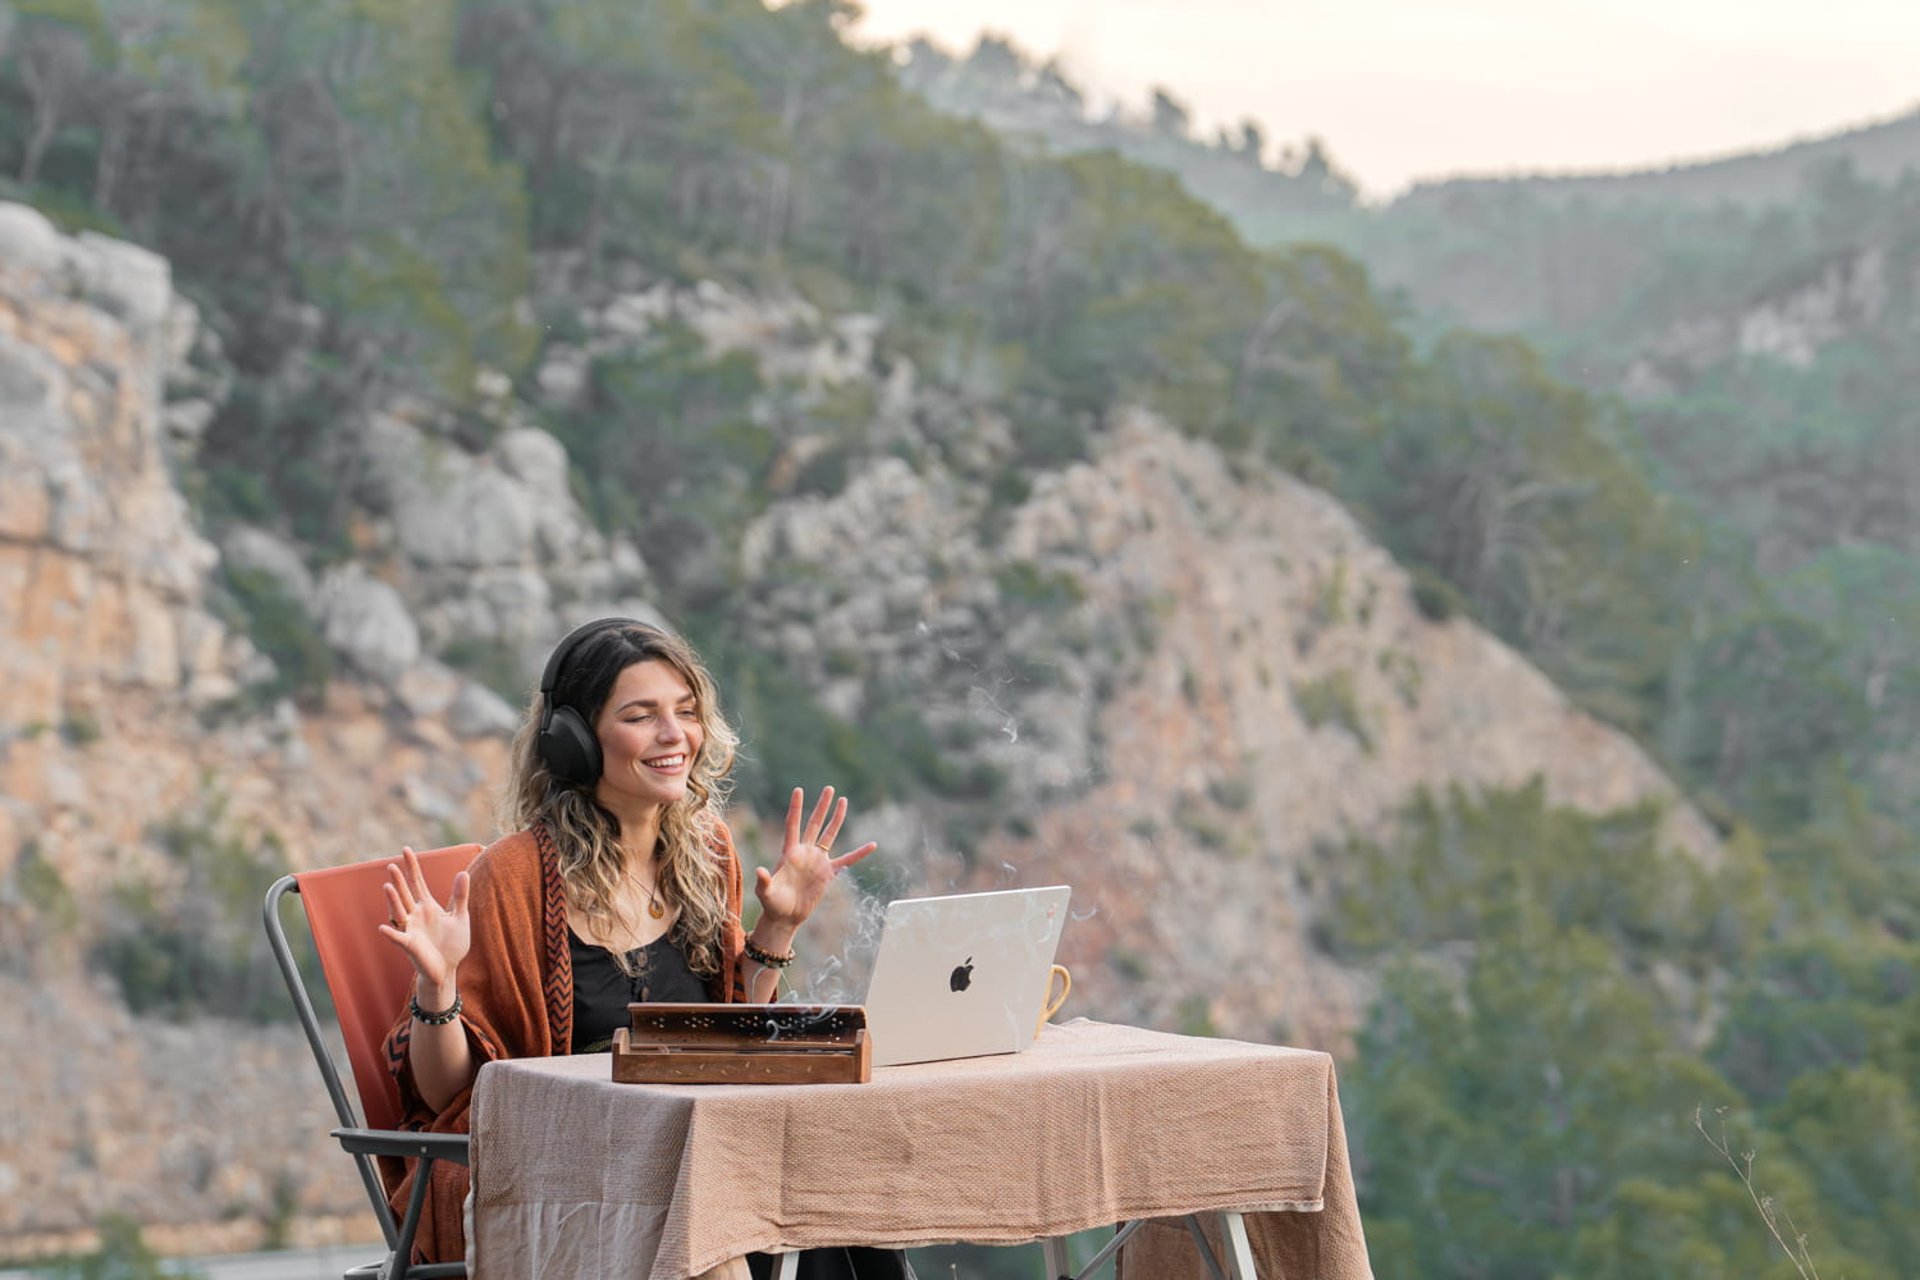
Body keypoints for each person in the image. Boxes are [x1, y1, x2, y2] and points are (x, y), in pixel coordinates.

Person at [376, 618, 904, 1278]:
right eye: (640, 715)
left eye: (686, 712)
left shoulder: (706, 852)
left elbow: (730, 1032)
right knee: (705, 1241)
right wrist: (438, 988)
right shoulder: (509, 879)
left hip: (691, 1152)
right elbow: (453, 1093)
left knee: (845, 1169)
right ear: (574, 740)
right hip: (548, 1172)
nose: (674, 736)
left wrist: (778, 926)